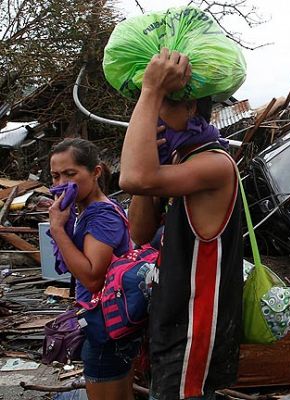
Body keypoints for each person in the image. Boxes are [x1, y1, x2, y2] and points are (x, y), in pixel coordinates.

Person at [119, 48, 243, 400]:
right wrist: (151, 175)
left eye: (166, 104)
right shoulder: (178, 161)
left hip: (194, 326)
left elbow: (131, 176)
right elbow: (139, 233)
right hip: (171, 317)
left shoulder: (213, 163)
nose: (155, 113)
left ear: (191, 108)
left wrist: (150, 90)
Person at [48, 138, 137, 400]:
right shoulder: (91, 211)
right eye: (55, 176)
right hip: (112, 324)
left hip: (105, 327)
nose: (61, 184)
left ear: (95, 172)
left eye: (70, 174)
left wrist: (56, 229)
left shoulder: (101, 215)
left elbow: (92, 278)